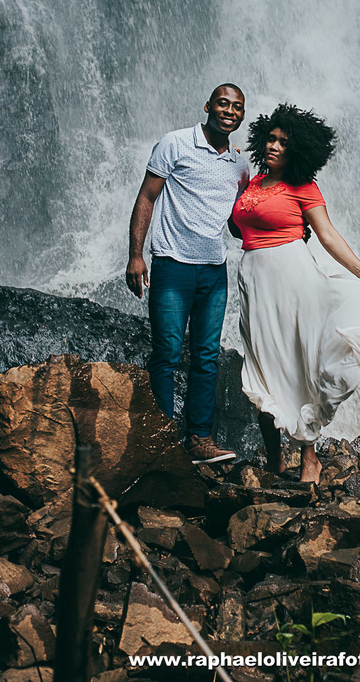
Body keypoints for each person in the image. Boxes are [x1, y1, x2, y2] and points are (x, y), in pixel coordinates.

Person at [231, 103, 360, 484]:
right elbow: (240, 230)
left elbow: (328, 235)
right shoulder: (251, 183)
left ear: (297, 150)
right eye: (270, 138)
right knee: (260, 367)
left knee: (297, 363)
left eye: (284, 143)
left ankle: (309, 459)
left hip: (293, 278)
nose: (274, 146)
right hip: (254, 280)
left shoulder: (304, 187)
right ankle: (274, 460)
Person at [126, 84, 248, 464]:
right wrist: (135, 255)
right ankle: (162, 439)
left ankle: (198, 439)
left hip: (215, 272)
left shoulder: (240, 165)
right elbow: (147, 196)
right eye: (224, 103)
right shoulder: (175, 143)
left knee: (206, 356)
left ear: (242, 116)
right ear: (209, 106)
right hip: (173, 264)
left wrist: (283, 232)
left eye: (238, 107)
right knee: (167, 352)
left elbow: (235, 222)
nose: (230, 110)